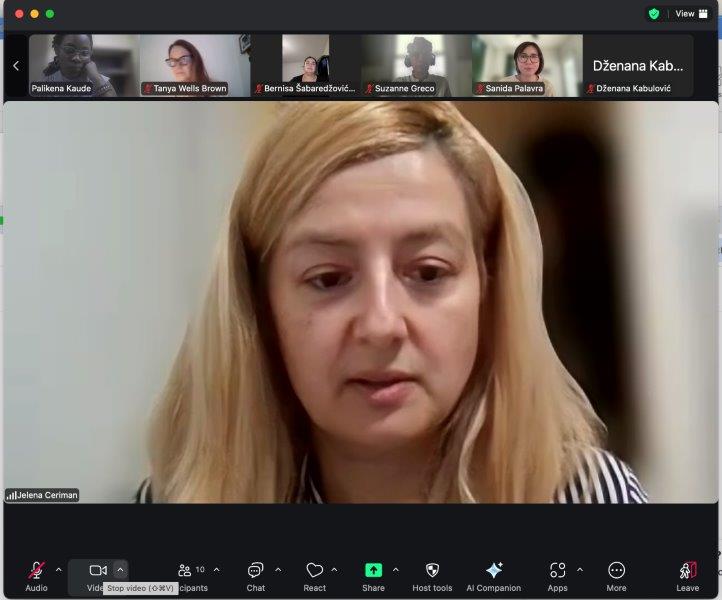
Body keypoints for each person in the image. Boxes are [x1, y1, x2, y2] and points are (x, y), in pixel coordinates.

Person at [136, 101, 648, 504]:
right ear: (260, 303)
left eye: (428, 273)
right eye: (329, 279)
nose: (381, 325)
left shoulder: (590, 501)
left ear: (488, 289)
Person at [41, 34, 116, 97]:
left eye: (84, 53)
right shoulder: (46, 83)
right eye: (69, 50)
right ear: (57, 50)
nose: (76, 58)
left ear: (90, 53)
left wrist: (97, 79)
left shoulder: (100, 81)